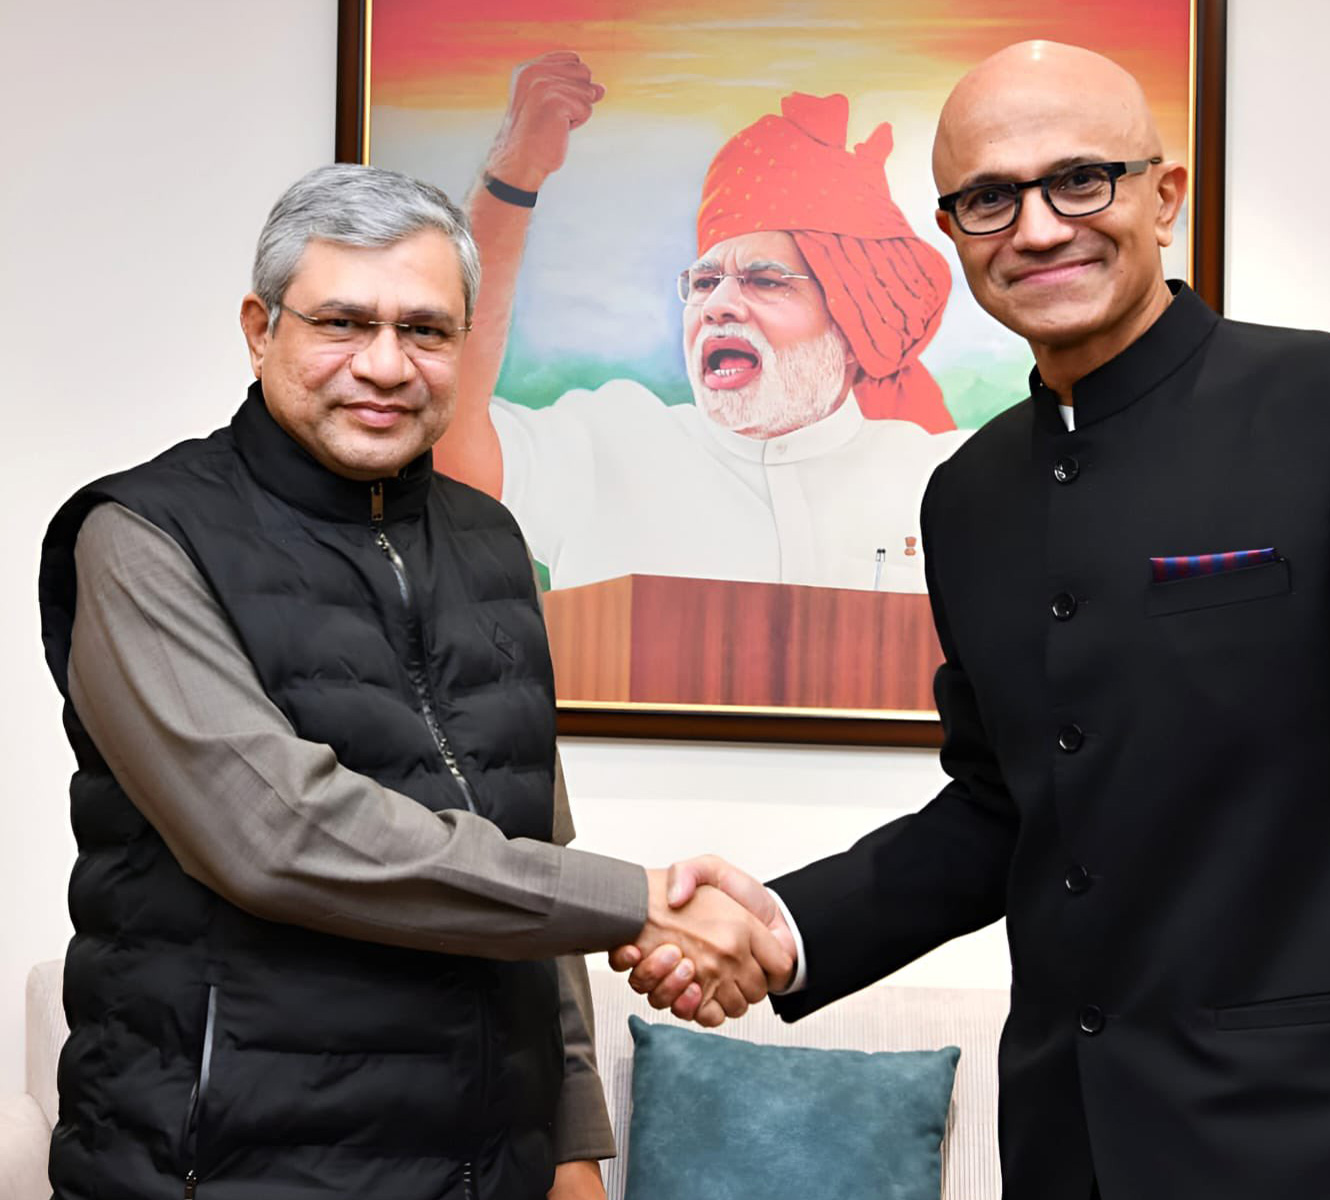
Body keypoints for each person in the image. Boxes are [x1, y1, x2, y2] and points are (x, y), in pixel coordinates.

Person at [617, 41, 1330, 1199]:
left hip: (1329, 1148)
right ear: (952, 233)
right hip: (1069, 1151)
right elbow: (1001, 807)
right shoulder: (966, 495)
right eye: (988, 198)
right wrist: (784, 925)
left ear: (1162, 196)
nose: (1035, 227)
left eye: (1081, 179)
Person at [36, 163, 790, 1200]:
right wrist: (638, 906)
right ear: (261, 329)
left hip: (488, 1165)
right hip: (230, 1167)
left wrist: (572, 1142)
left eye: (427, 331)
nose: (386, 365)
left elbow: (533, 854)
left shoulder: (491, 542)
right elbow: (277, 837)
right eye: (343, 322)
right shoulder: (140, 537)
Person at [434, 56, 969, 593]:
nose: (720, 305)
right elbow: (444, 448)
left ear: (852, 329)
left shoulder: (945, 477)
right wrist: (512, 176)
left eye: (765, 280)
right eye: (705, 281)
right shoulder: (609, 442)